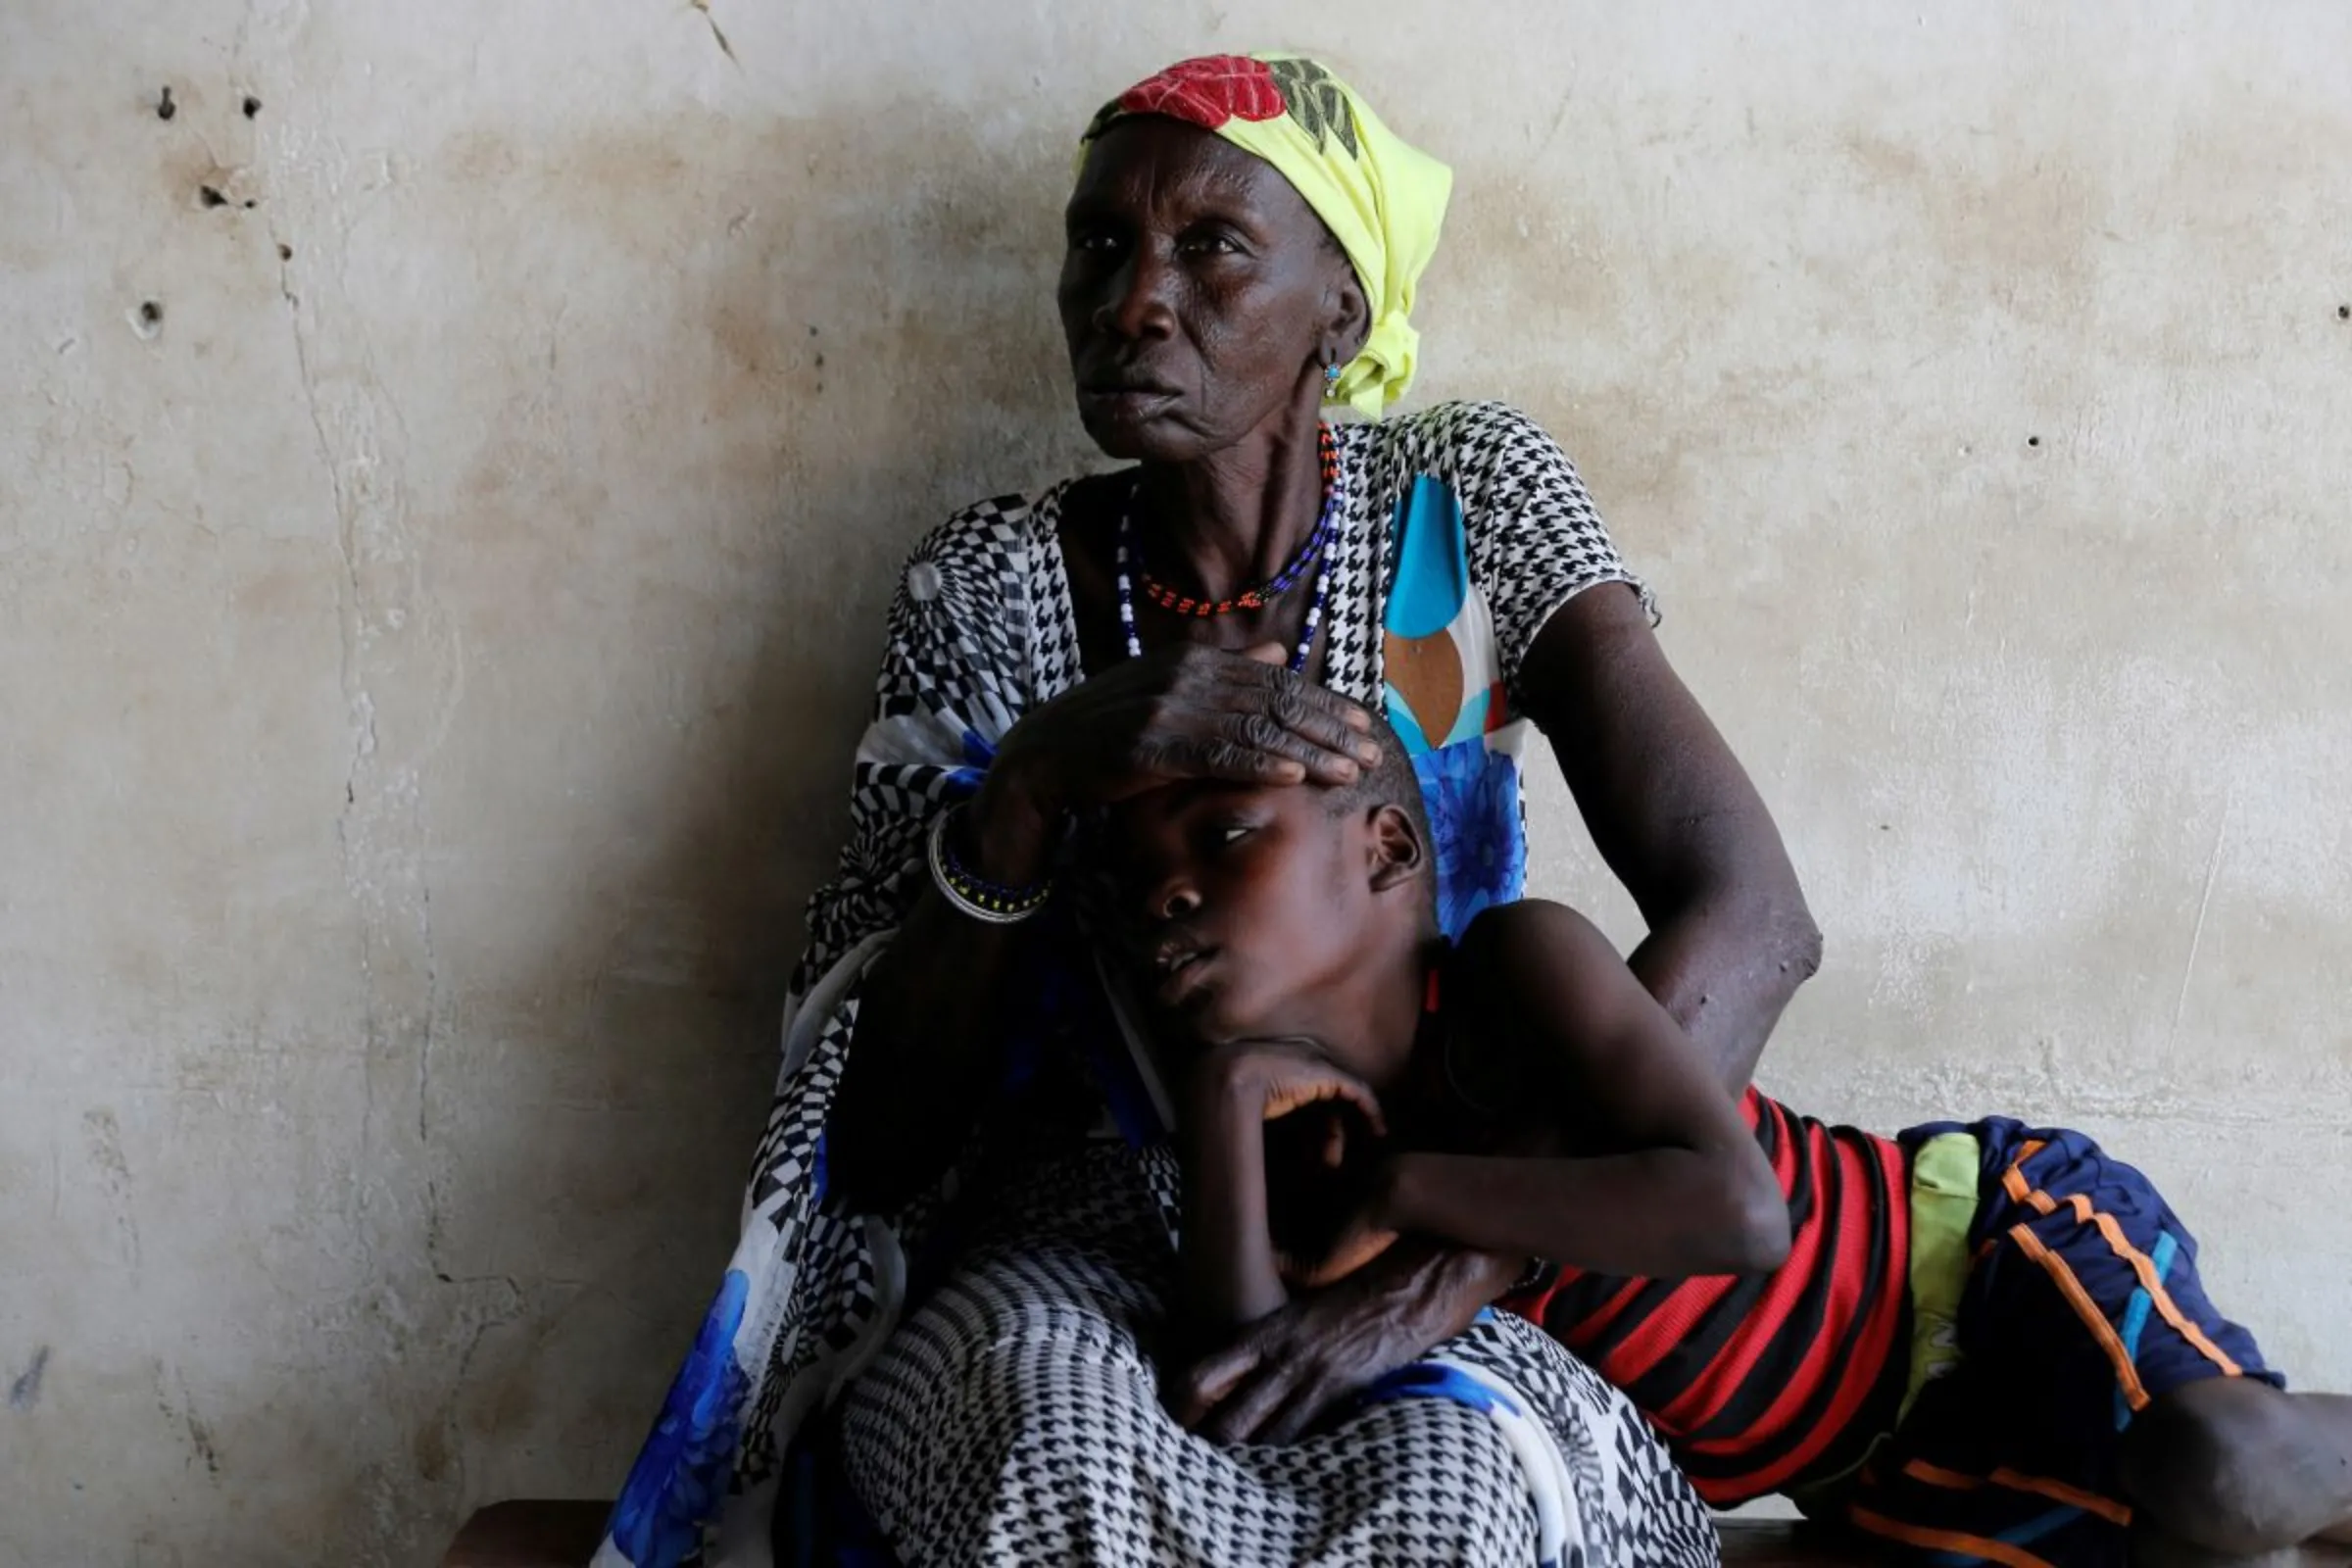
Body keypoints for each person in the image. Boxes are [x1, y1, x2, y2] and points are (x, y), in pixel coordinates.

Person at [597, 52, 1813, 1568]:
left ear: (1342, 310)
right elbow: (882, 1135)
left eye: (1212, 248)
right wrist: (1039, 780)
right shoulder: (985, 581)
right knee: (1052, 1450)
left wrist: (1435, 1276)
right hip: (1070, 1244)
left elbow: (1753, 920)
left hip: (1404, 1232)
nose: (1134, 300)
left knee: (1459, 1492)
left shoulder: (1470, 495)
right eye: (1099, 243)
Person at [1107, 715, 2352, 1568]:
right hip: (1878, 1471)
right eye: (1136, 877)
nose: (1167, 890)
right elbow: (1246, 1398)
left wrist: (1410, 1183)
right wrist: (1219, 1109)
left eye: (1221, 837)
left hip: (1968, 1253)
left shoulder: (1509, 972)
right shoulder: (1289, 1143)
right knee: (2186, 1539)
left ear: (1384, 848)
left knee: (2218, 1468)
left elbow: (1738, 1212)